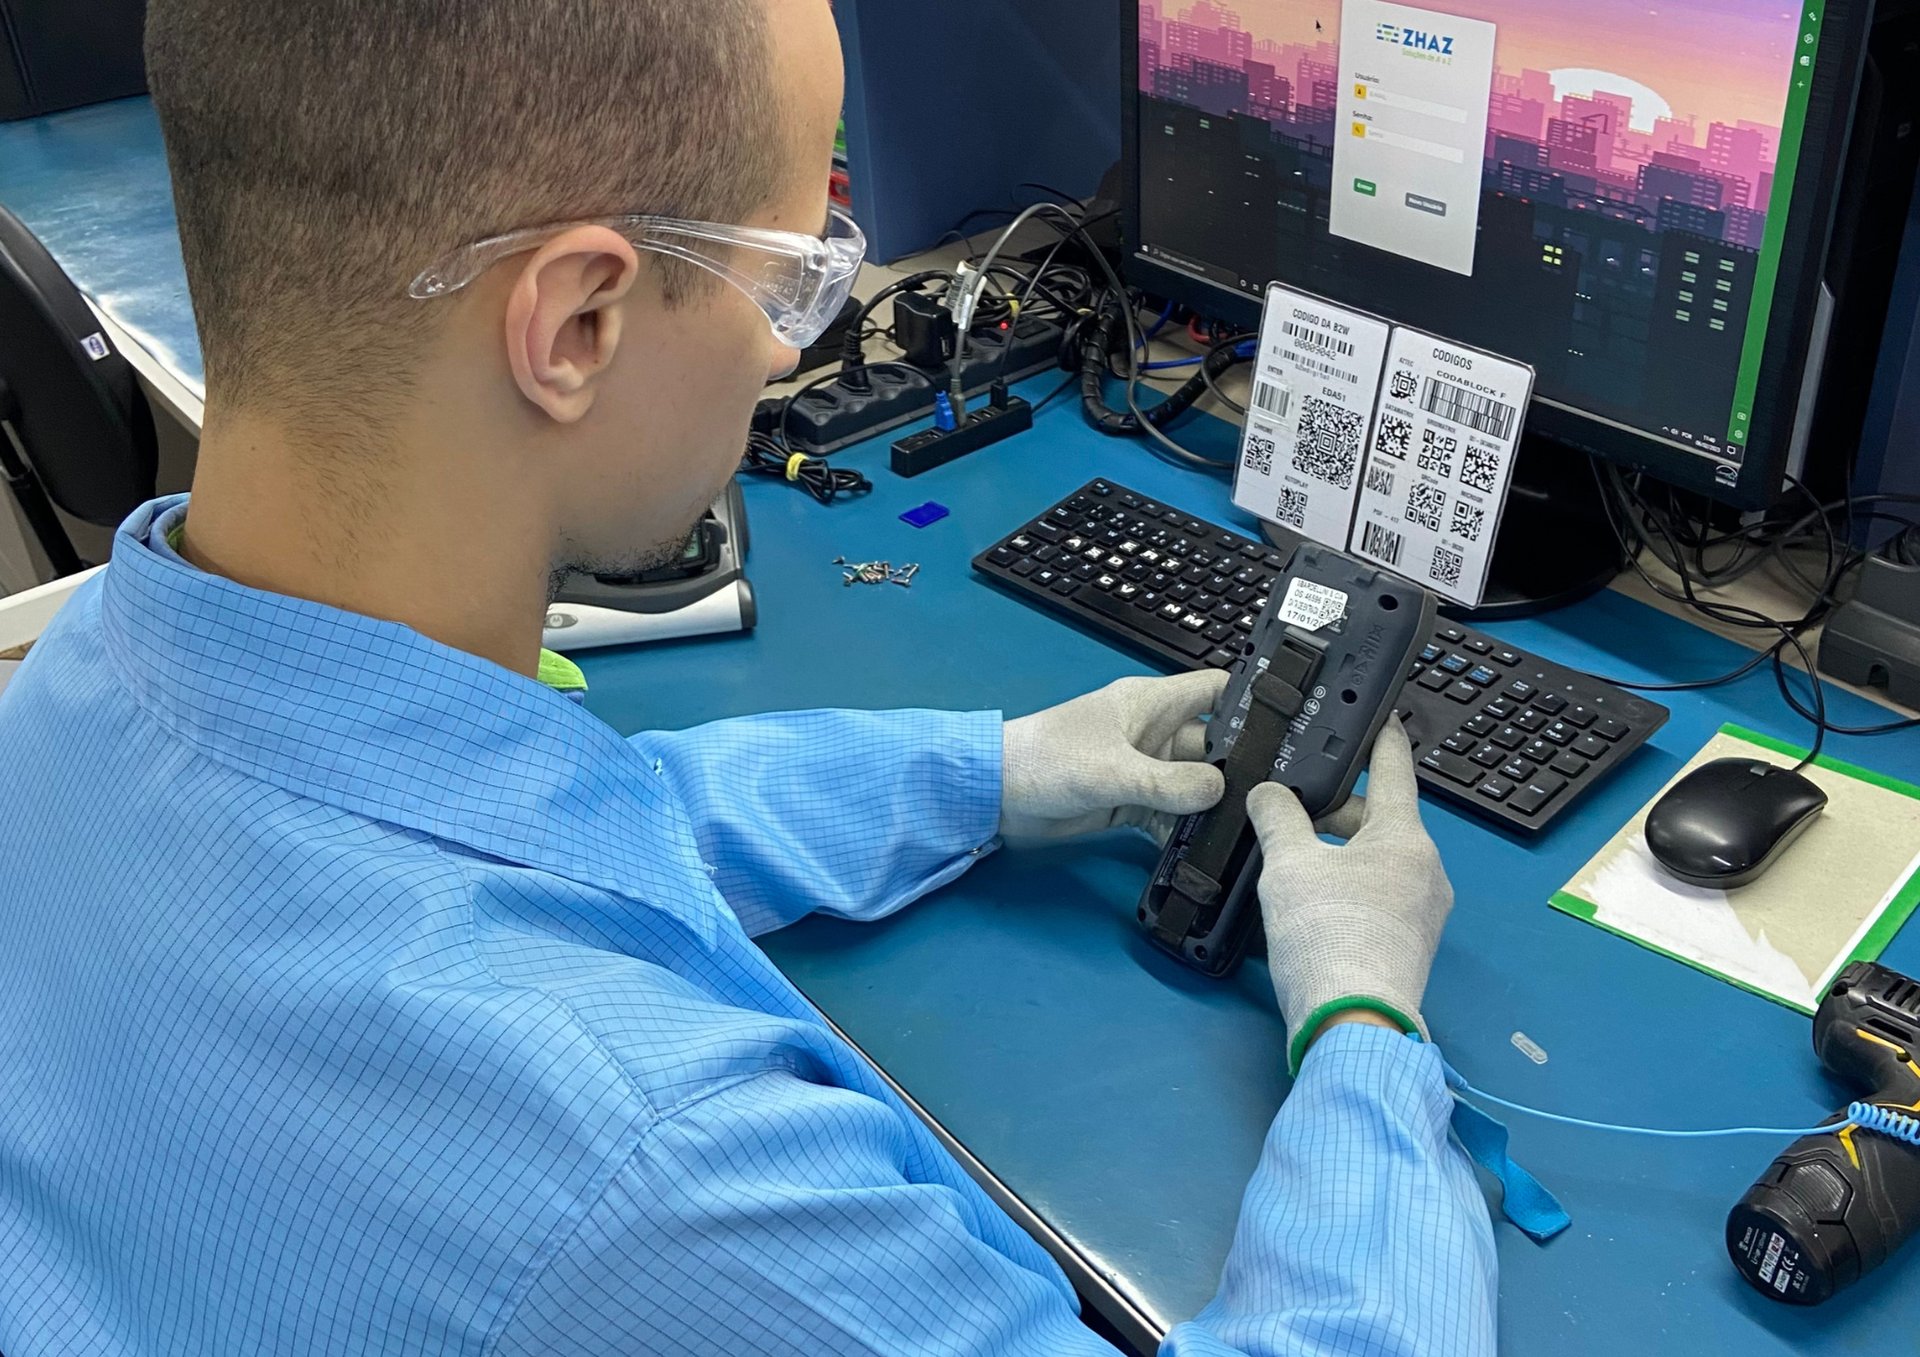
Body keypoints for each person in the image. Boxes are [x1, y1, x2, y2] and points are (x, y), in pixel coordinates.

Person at [0, 0, 1495, 1352]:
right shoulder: (651, 1166)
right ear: (577, 324)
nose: (799, 346)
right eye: (793, 275)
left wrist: (992, 771)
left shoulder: (79, 693)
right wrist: (1361, 1030)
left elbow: (515, 833)